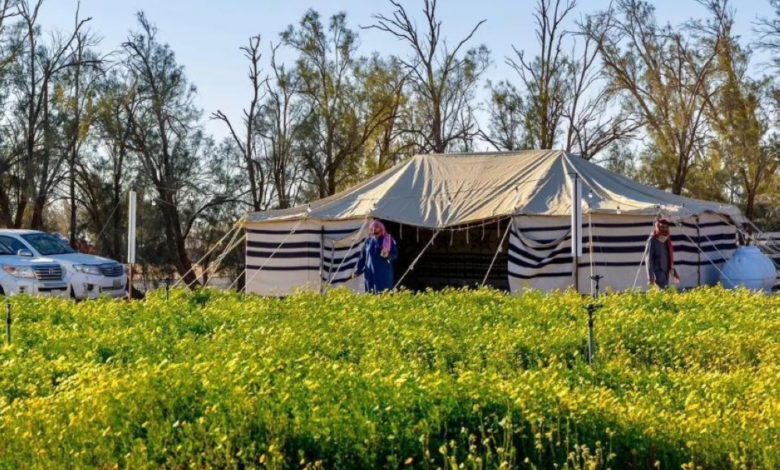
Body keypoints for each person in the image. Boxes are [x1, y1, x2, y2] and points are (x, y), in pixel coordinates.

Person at [353, 220, 398, 293]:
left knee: (384, 293)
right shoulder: (368, 241)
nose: (374, 230)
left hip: (383, 273)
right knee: (371, 293)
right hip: (370, 272)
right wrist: (357, 270)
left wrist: (387, 255)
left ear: (381, 229)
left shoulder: (388, 240)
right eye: (372, 229)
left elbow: (395, 254)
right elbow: (362, 257)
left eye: (376, 228)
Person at [647, 218, 680, 289]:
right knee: (665, 290)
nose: (664, 229)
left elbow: (669, 258)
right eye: (662, 227)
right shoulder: (652, 240)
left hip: (666, 270)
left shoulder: (667, 240)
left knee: (662, 293)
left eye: (666, 227)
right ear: (658, 227)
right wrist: (651, 276)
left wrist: (674, 273)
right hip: (657, 271)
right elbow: (648, 259)